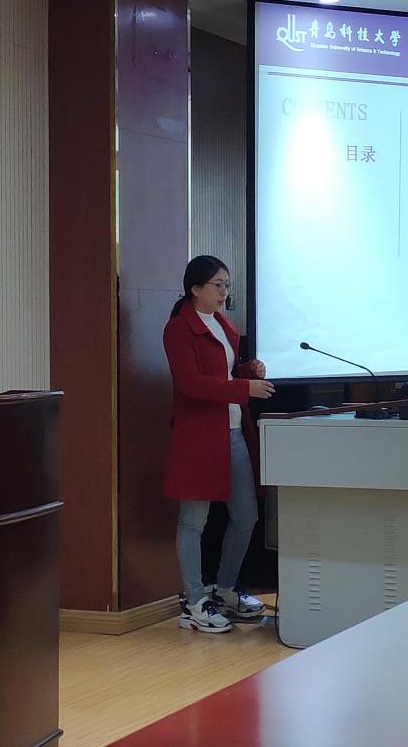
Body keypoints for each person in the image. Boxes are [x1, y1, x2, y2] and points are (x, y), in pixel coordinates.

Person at [163, 255, 275, 633]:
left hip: (232, 431)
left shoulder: (222, 324)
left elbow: (222, 375)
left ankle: (224, 589)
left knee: (246, 516)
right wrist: (244, 386)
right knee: (193, 521)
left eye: (227, 285)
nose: (225, 292)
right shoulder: (179, 329)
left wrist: (246, 371)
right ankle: (194, 600)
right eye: (218, 285)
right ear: (196, 289)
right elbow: (191, 384)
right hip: (199, 437)